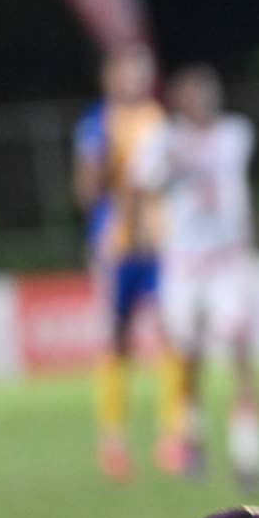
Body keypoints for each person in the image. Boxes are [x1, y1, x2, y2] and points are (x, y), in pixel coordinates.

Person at [134, 64, 259, 489]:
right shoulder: (164, 139)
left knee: (240, 353)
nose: (206, 100)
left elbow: (237, 187)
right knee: (188, 359)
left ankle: (248, 456)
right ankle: (192, 440)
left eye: (209, 91)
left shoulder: (235, 133)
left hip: (227, 260)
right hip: (185, 264)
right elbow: (145, 185)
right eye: (196, 93)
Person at [73, 45, 186, 481]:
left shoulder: (157, 119)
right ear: (111, 76)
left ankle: (173, 436)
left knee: (170, 332)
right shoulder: (97, 122)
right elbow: (86, 188)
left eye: (143, 70)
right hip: (115, 245)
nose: (138, 78)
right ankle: (113, 440)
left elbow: (170, 179)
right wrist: (106, 173)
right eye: (130, 70)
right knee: (117, 338)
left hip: (156, 243)